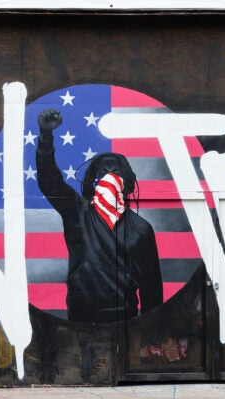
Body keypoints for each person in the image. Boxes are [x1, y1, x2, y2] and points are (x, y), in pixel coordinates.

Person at [36, 108, 163, 323]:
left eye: (116, 175)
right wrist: (46, 137)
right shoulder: (77, 213)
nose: (110, 181)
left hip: (125, 320)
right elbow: (50, 181)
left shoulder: (141, 229)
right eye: (103, 174)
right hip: (80, 317)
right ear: (92, 182)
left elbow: (152, 289)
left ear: (127, 183)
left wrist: (149, 330)